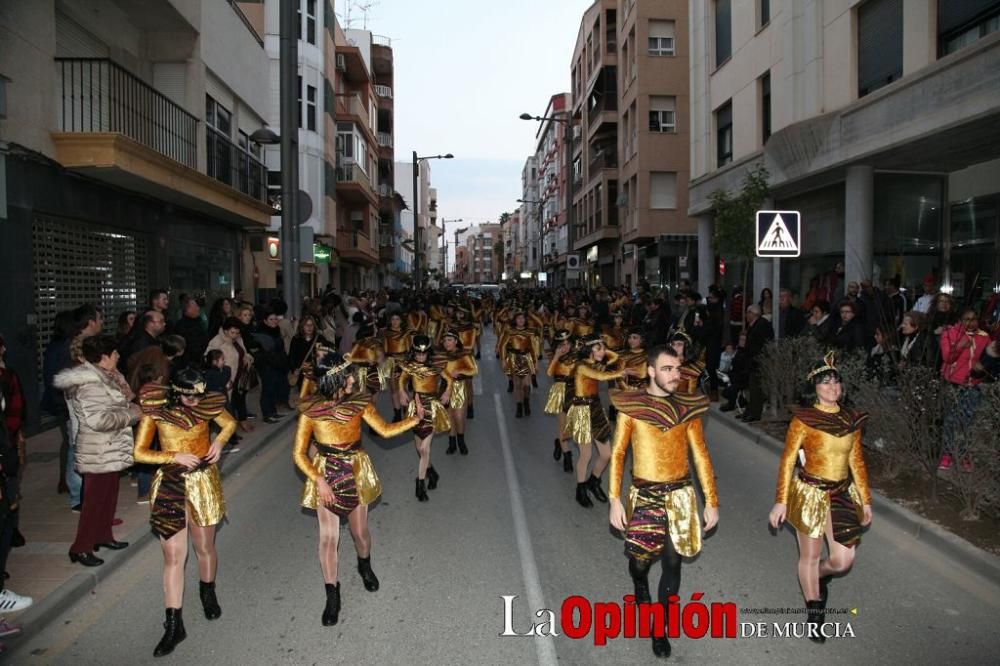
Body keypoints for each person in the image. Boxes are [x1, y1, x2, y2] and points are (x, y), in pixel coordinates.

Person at [293, 351, 421, 626]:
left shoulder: (360, 403)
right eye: (348, 374)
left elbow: (385, 431)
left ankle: (364, 564)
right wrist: (320, 480)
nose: (353, 378)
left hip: (356, 469)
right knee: (328, 538)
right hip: (325, 472)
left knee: (359, 532)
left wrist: (414, 420)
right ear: (338, 379)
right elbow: (299, 454)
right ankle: (332, 595)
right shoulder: (310, 409)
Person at [608, 344, 719, 659]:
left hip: (681, 496)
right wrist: (614, 499)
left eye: (678, 368)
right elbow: (617, 455)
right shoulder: (631, 408)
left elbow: (701, 456)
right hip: (644, 496)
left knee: (673, 562)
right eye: (668, 369)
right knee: (640, 563)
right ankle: (639, 584)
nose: (676, 374)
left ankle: (660, 628)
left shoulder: (688, 408)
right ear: (651, 371)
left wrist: (711, 500)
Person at [133, 367, 237, 657]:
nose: (195, 402)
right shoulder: (156, 413)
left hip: (202, 482)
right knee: (173, 556)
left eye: (198, 396)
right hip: (169, 484)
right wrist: (172, 456)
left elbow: (229, 423)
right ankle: (174, 624)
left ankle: (207, 590)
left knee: (204, 546)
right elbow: (139, 452)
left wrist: (218, 442)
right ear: (177, 392)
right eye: (189, 397)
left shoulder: (206, 406)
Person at [769, 354, 872, 644]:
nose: (832, 387)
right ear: (814, 387)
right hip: (809, 493)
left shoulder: (851, 419)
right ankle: (814, 611)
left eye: (836, 381)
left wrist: (865, 500)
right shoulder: (804, 419)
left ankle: (822, 577)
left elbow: (857, 461)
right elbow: (788, 461)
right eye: (825, 383)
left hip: (840, 494)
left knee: (843, 561)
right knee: (810, 556)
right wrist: (780, 500)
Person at [54, 335, 139, 567]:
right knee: (93, 502)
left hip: (111, 446)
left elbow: (123, 400)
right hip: (98, 449)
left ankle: (103, 536)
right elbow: (98, 420)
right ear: (103, 357)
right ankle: (80, 548)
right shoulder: (89, 383)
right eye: (115, 353)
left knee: (109, 496)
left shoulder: (109, 376)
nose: (118, 356)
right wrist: (133, 415)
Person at [566, 334, 628, 508]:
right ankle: (580, 489)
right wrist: (620, 372)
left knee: (606, 454)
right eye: (598, 348)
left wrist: (602, 349)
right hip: (581, 411)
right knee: (585, 454)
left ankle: (593, 481)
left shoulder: (597, 364)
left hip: (595, 408)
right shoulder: (581, 366)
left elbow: (617, 358)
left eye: (603, 348)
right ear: (589, 350)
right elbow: (601, 377)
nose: (603, 351)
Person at [0, 334, 33, 623]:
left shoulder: (7, 376)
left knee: (9, 509)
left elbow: (14, 414)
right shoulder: (4, 378)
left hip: (6, 454)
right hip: (4, 455)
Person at [398, 335, 453, 502]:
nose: (421, 356)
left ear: (428, 353)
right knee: (418, 447)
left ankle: (420, 485)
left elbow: (449, 379)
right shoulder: (409, 367)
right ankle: (432, 473)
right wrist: (402, 392)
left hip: (432, 408)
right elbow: (401, 381)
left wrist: (447, 392)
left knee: (424, 449)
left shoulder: (436, 366)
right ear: (413, 352)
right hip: (416, 407)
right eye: (418, 353)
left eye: (424, 354)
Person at [938, 308, 989, 471]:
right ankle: (947, 454)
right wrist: (959, 345)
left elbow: (989, 359)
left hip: (973, 384)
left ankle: (963, 454)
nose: (970, 323)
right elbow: (947, 357)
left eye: (973, 319)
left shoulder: (984, 337)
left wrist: (982, 370)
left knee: (967, 422)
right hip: (953, 382)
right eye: (966, 319)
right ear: (960, 320)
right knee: (951, 420)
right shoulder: (950, 333)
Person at [438, 329, 478, 456]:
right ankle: (452, 444)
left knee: (459, 417)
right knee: (450, 418)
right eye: (445, 341)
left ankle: (461, 441)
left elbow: (473, 370)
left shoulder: (463, 355)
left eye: (449, 340)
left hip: (459, 387)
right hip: (445, 388)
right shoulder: (441, 355)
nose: (446, 343)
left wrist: (460, 371)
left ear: (456, 341)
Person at [544, 330, 577, 473]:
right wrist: (557, 356)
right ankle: (567, 456)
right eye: (562, 344)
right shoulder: (553, 356)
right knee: (563, 426)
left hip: (575, 391)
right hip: (559, 392)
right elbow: (549, 373)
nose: (565, 347)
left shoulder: (577, 356)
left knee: (573, 427)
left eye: (568, 343)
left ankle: (559, 442)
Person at [498, 312, 542, 418]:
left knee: (527, 385)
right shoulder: (509, 331)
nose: (521, 320)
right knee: (517, 385)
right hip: (514, 359)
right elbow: (503, 346)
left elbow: (534, 348)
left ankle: (526, 401)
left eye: (523, 318)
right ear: (515, 320)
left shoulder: (530, 332)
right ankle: (519, 406)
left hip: (526, 358)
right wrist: (503, 360)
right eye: (518, 318)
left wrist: (536, 362)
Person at [253, 307, 289, 423]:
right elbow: (266, 353)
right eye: (271, 319)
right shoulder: (262, 334)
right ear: (265, 321)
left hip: (276, 366)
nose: (274, 321)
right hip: (267, 366)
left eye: (275, 319)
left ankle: (273, 412)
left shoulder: (276, 330)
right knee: (267, 390)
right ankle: (267, 414)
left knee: (273, 389)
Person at [743, 305, 775, 422]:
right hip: (752, 361)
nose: (746, 316)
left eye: (748, 313)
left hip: (759, 361)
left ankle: (755, 413)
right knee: (752, 388)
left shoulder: (762, 325)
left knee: (756, 389)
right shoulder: (753, 325)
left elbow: (763, 343)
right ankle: (750, 410)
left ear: (753, 314)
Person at [174, 297, 209, 370]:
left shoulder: (198, 323)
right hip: (189, 364)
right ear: (188, 309)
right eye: (195, 306)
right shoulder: (181, 325)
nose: (198, 308)